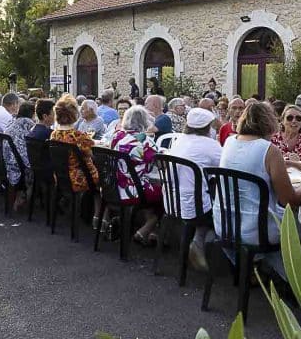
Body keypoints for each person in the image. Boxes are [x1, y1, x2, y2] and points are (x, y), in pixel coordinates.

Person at [213, 101, 301, 280]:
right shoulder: (269, 150)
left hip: (225, 224)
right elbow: (289, 200)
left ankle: (259, 272)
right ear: (270, 122)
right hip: (256, 231)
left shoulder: (230, 142)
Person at [167, 107, 222, 269]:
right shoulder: (210, 145)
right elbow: (227, 166)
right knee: (224, 204)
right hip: (198, 207)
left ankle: (198, 243)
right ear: (208, 127)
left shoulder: (179, 140)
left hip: (172, 203)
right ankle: (202, 244)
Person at [110, 105, 163, 244]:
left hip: (115, 187)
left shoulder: (117, 136)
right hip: (133, 191)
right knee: (167, 195)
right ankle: (146, 229)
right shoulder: (144, 141)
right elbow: (160, 163)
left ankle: (151, 234)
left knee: (150, 188)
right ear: (145, 122)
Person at [49, 94, 99, 196]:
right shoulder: (78, 136)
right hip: (80, 178)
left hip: (60, 177)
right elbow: (92, 154)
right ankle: (97, 210)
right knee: (105, 177)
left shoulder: (54, 134)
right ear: (74, 115)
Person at [271, 104, 301, 173]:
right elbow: (267, 165)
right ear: (282, 121)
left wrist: (299, 163)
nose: (294, 121)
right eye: (289, 118)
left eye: (298, 118)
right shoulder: (273, 139)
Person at [4, 100, 36, 194]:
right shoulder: (28, 124)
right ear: (33, 114)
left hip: (8, 164)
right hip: (19, 167)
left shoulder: (13, 123)